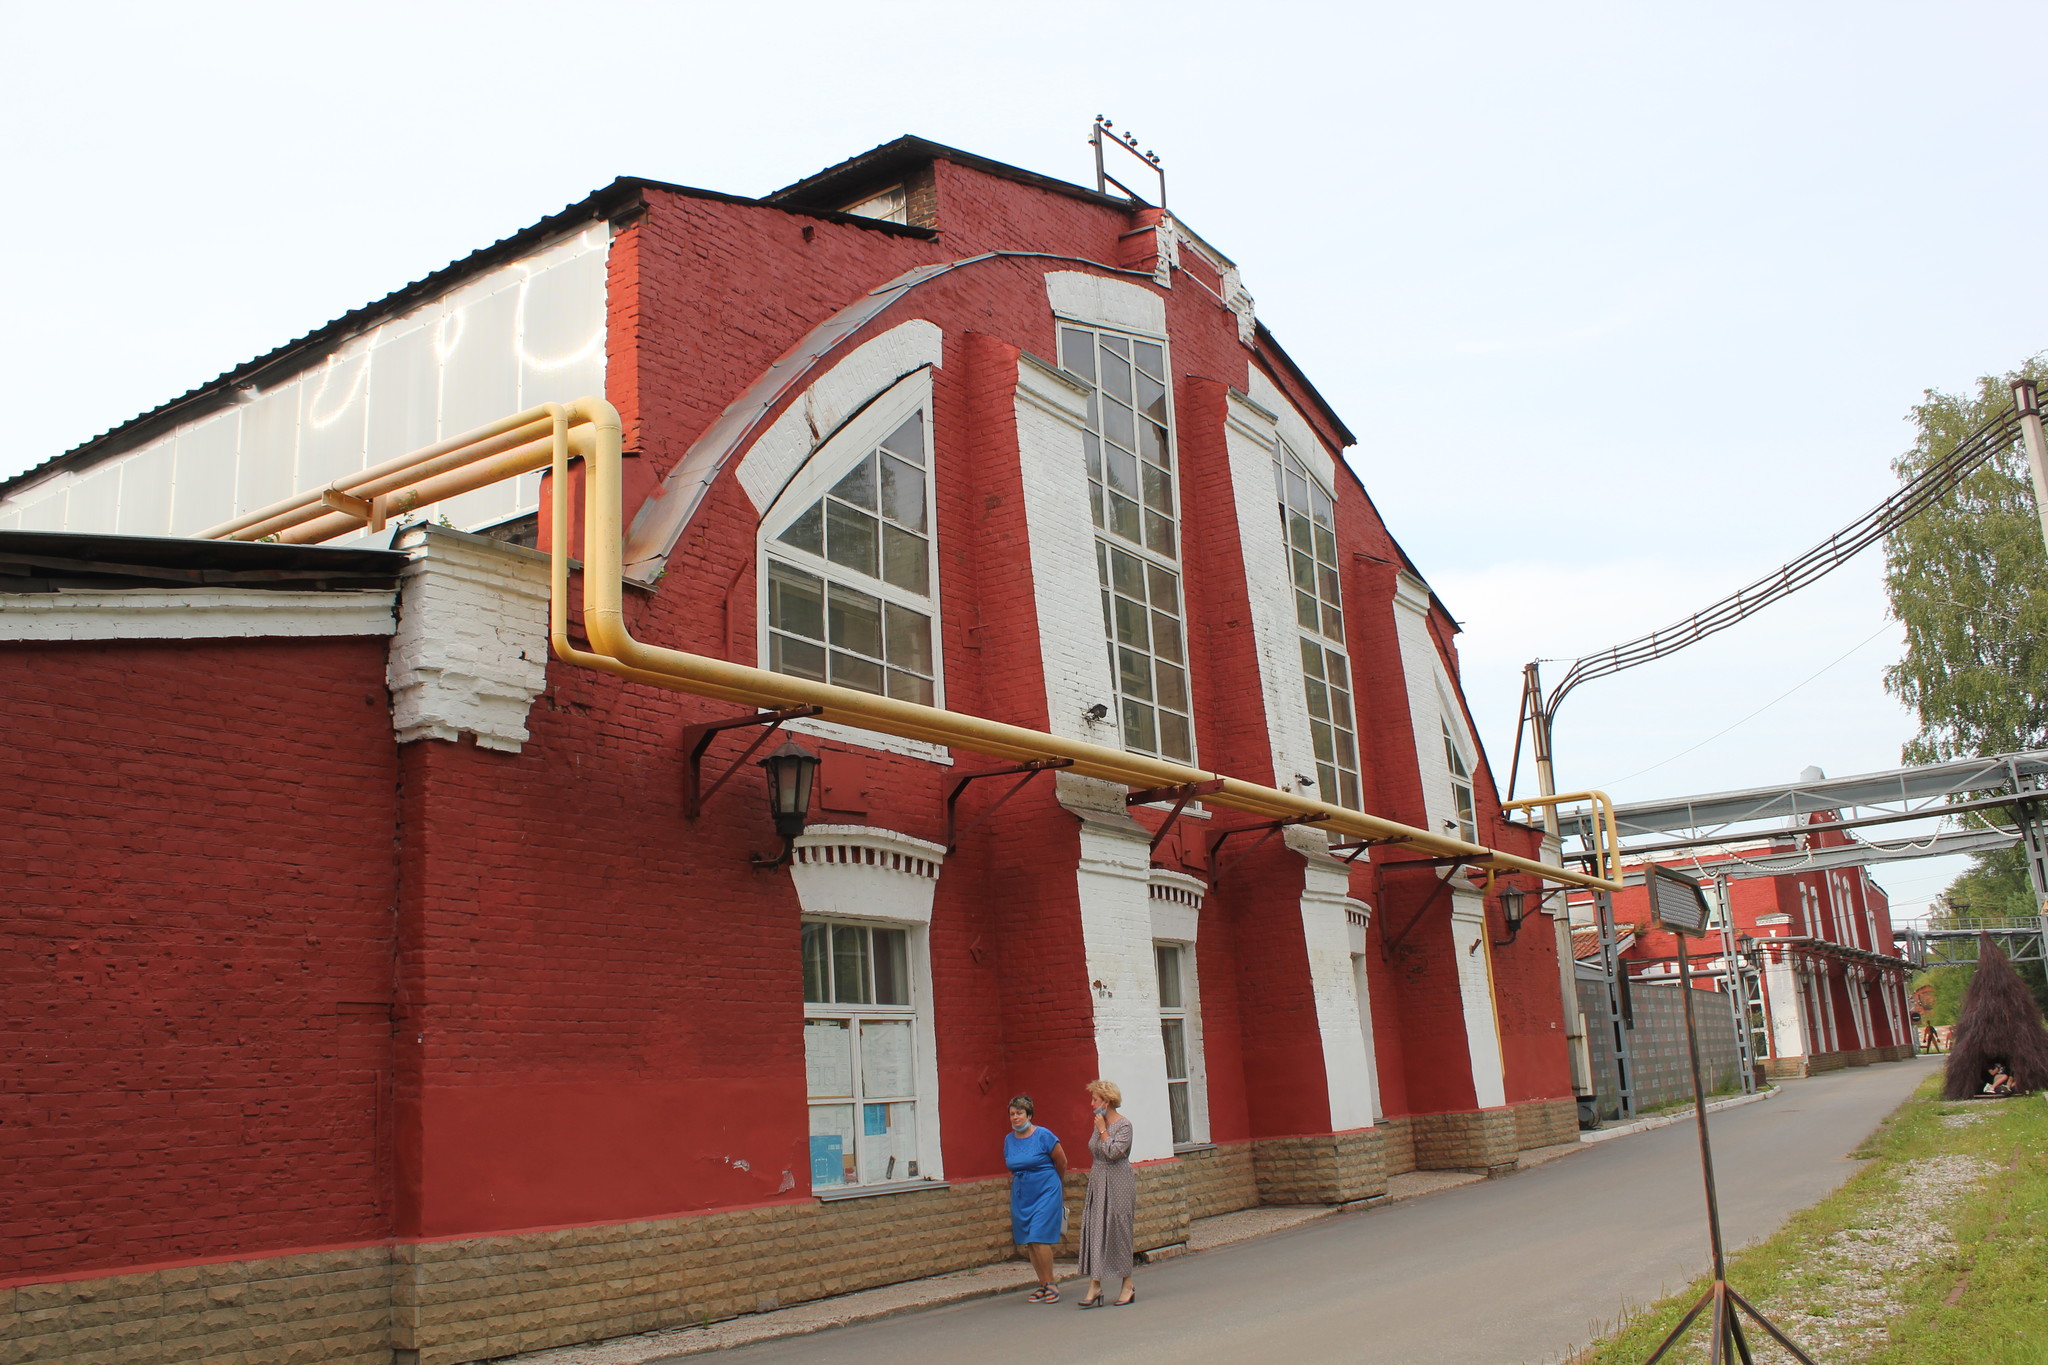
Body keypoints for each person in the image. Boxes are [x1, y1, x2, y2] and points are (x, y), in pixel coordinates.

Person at [1076, 1079, 1137, 1308]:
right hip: (1099, 1179)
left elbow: (1113, 1152)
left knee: (1118, 1230)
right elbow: (1095, 1151)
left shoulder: (1124, 1125)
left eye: (1095, 1099)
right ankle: (1095, 1284)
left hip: (1119, 1180)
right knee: (1096, 1229)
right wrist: (1099, 1129)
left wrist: (1103, 1130)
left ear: (1107, 1101)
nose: (1092, 1104)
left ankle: (1127, 1284)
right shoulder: (1097, 1124)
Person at [1004, 1095, 1068, 1302]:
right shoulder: (1009, 1139)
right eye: (1012, 1114)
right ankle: (1042, 1283)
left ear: (1029, 1115)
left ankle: (1052, 1284)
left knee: (1039, 1236)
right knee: (1029, 1240)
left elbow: (1061, 1160)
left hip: (1046, 1189)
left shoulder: (1043, 1135)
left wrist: (1056, 1183)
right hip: (1023, 1193)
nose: (1015, 1118)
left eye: (1019, 1113)